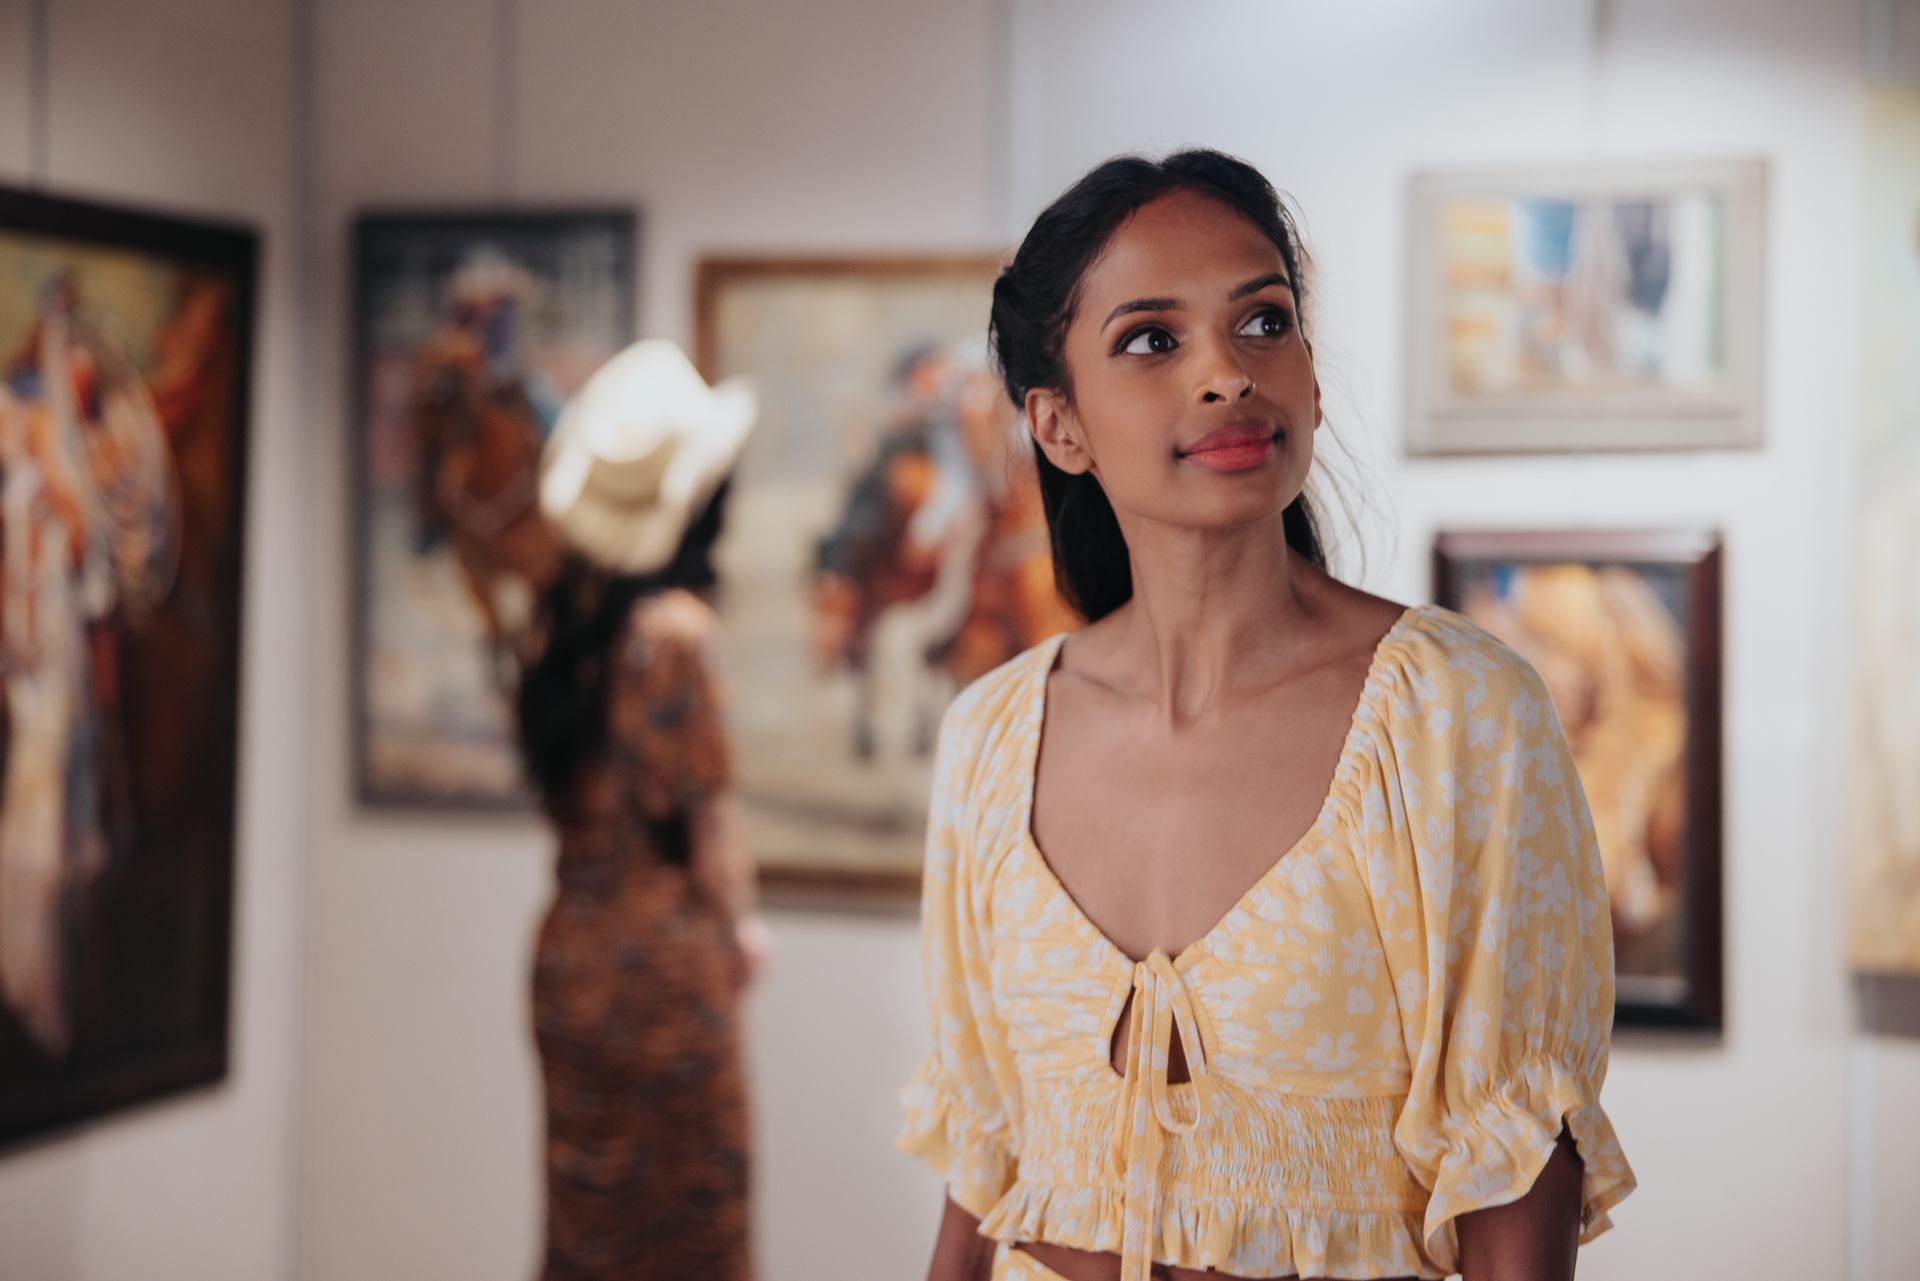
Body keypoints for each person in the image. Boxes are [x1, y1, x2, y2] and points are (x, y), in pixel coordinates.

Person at [898, 151, 1636, 1281]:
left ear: (1312, 379)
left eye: (1263, 322)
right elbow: (981, 1174)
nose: (1226, 375)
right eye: (1153, 339)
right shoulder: (992, 738)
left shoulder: (1456, 721)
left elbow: (1518, 1190)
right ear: (1059, 426)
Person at [518, 339, 771, 1281]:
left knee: (585, 1232)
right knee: (694, 1228)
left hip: (569, 953)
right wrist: (743, 928)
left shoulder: (560, 626)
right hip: (664, 963)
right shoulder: (677, 637)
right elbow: (709, 821)